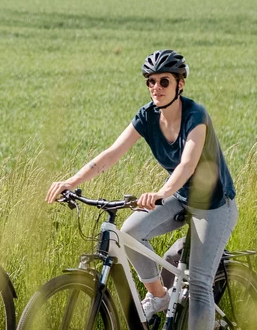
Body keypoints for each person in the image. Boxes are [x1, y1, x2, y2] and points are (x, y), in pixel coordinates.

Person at [45, 50, 237, 329]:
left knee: (198, 284)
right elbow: (111, 154)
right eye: (151, 81)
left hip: (215, 205)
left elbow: (186, 165)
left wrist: (161, 192)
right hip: (182, 198)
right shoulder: (147, 117)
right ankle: (159, 296)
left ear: (179, 84)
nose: (156, 88)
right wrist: (70, 182)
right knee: (130, 233)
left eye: (164, 81)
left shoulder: (196, 115)